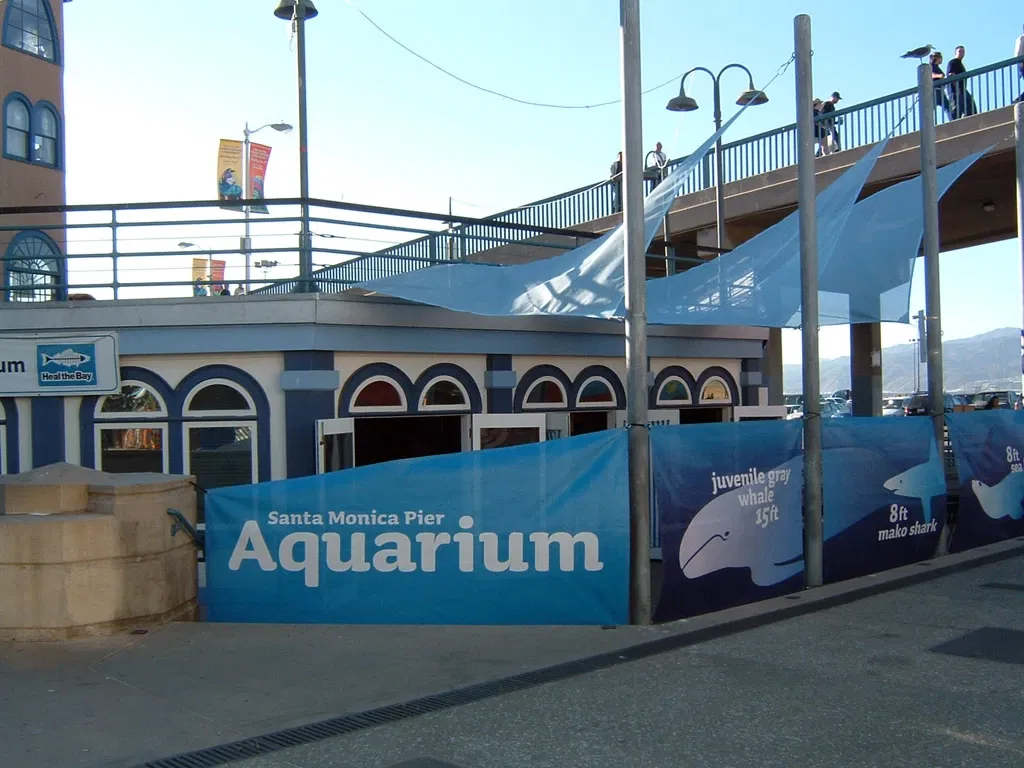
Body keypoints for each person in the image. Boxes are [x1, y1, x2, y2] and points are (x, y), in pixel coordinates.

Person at [946, 46, 977, 119]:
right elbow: (951, 75)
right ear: (955, 52)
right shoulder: (953, 62)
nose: (962, 53)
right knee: (957, 109)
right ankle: (955, 126)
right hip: (955, 91)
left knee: (971, 107)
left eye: (963, 51)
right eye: (960, 51)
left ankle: (970, 122)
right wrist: (957, 88)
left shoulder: (960, 64)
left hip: (962, 90)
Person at [930, 52, 951, 119]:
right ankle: (927, 124)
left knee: (947, 107)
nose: (941, 60)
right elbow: (929, 75)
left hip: (940, 91)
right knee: (930, 109)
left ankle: (953, 120)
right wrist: (939, 75)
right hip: (935, 91)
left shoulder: (936, 67)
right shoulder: (930, 66)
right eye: (941, 58)